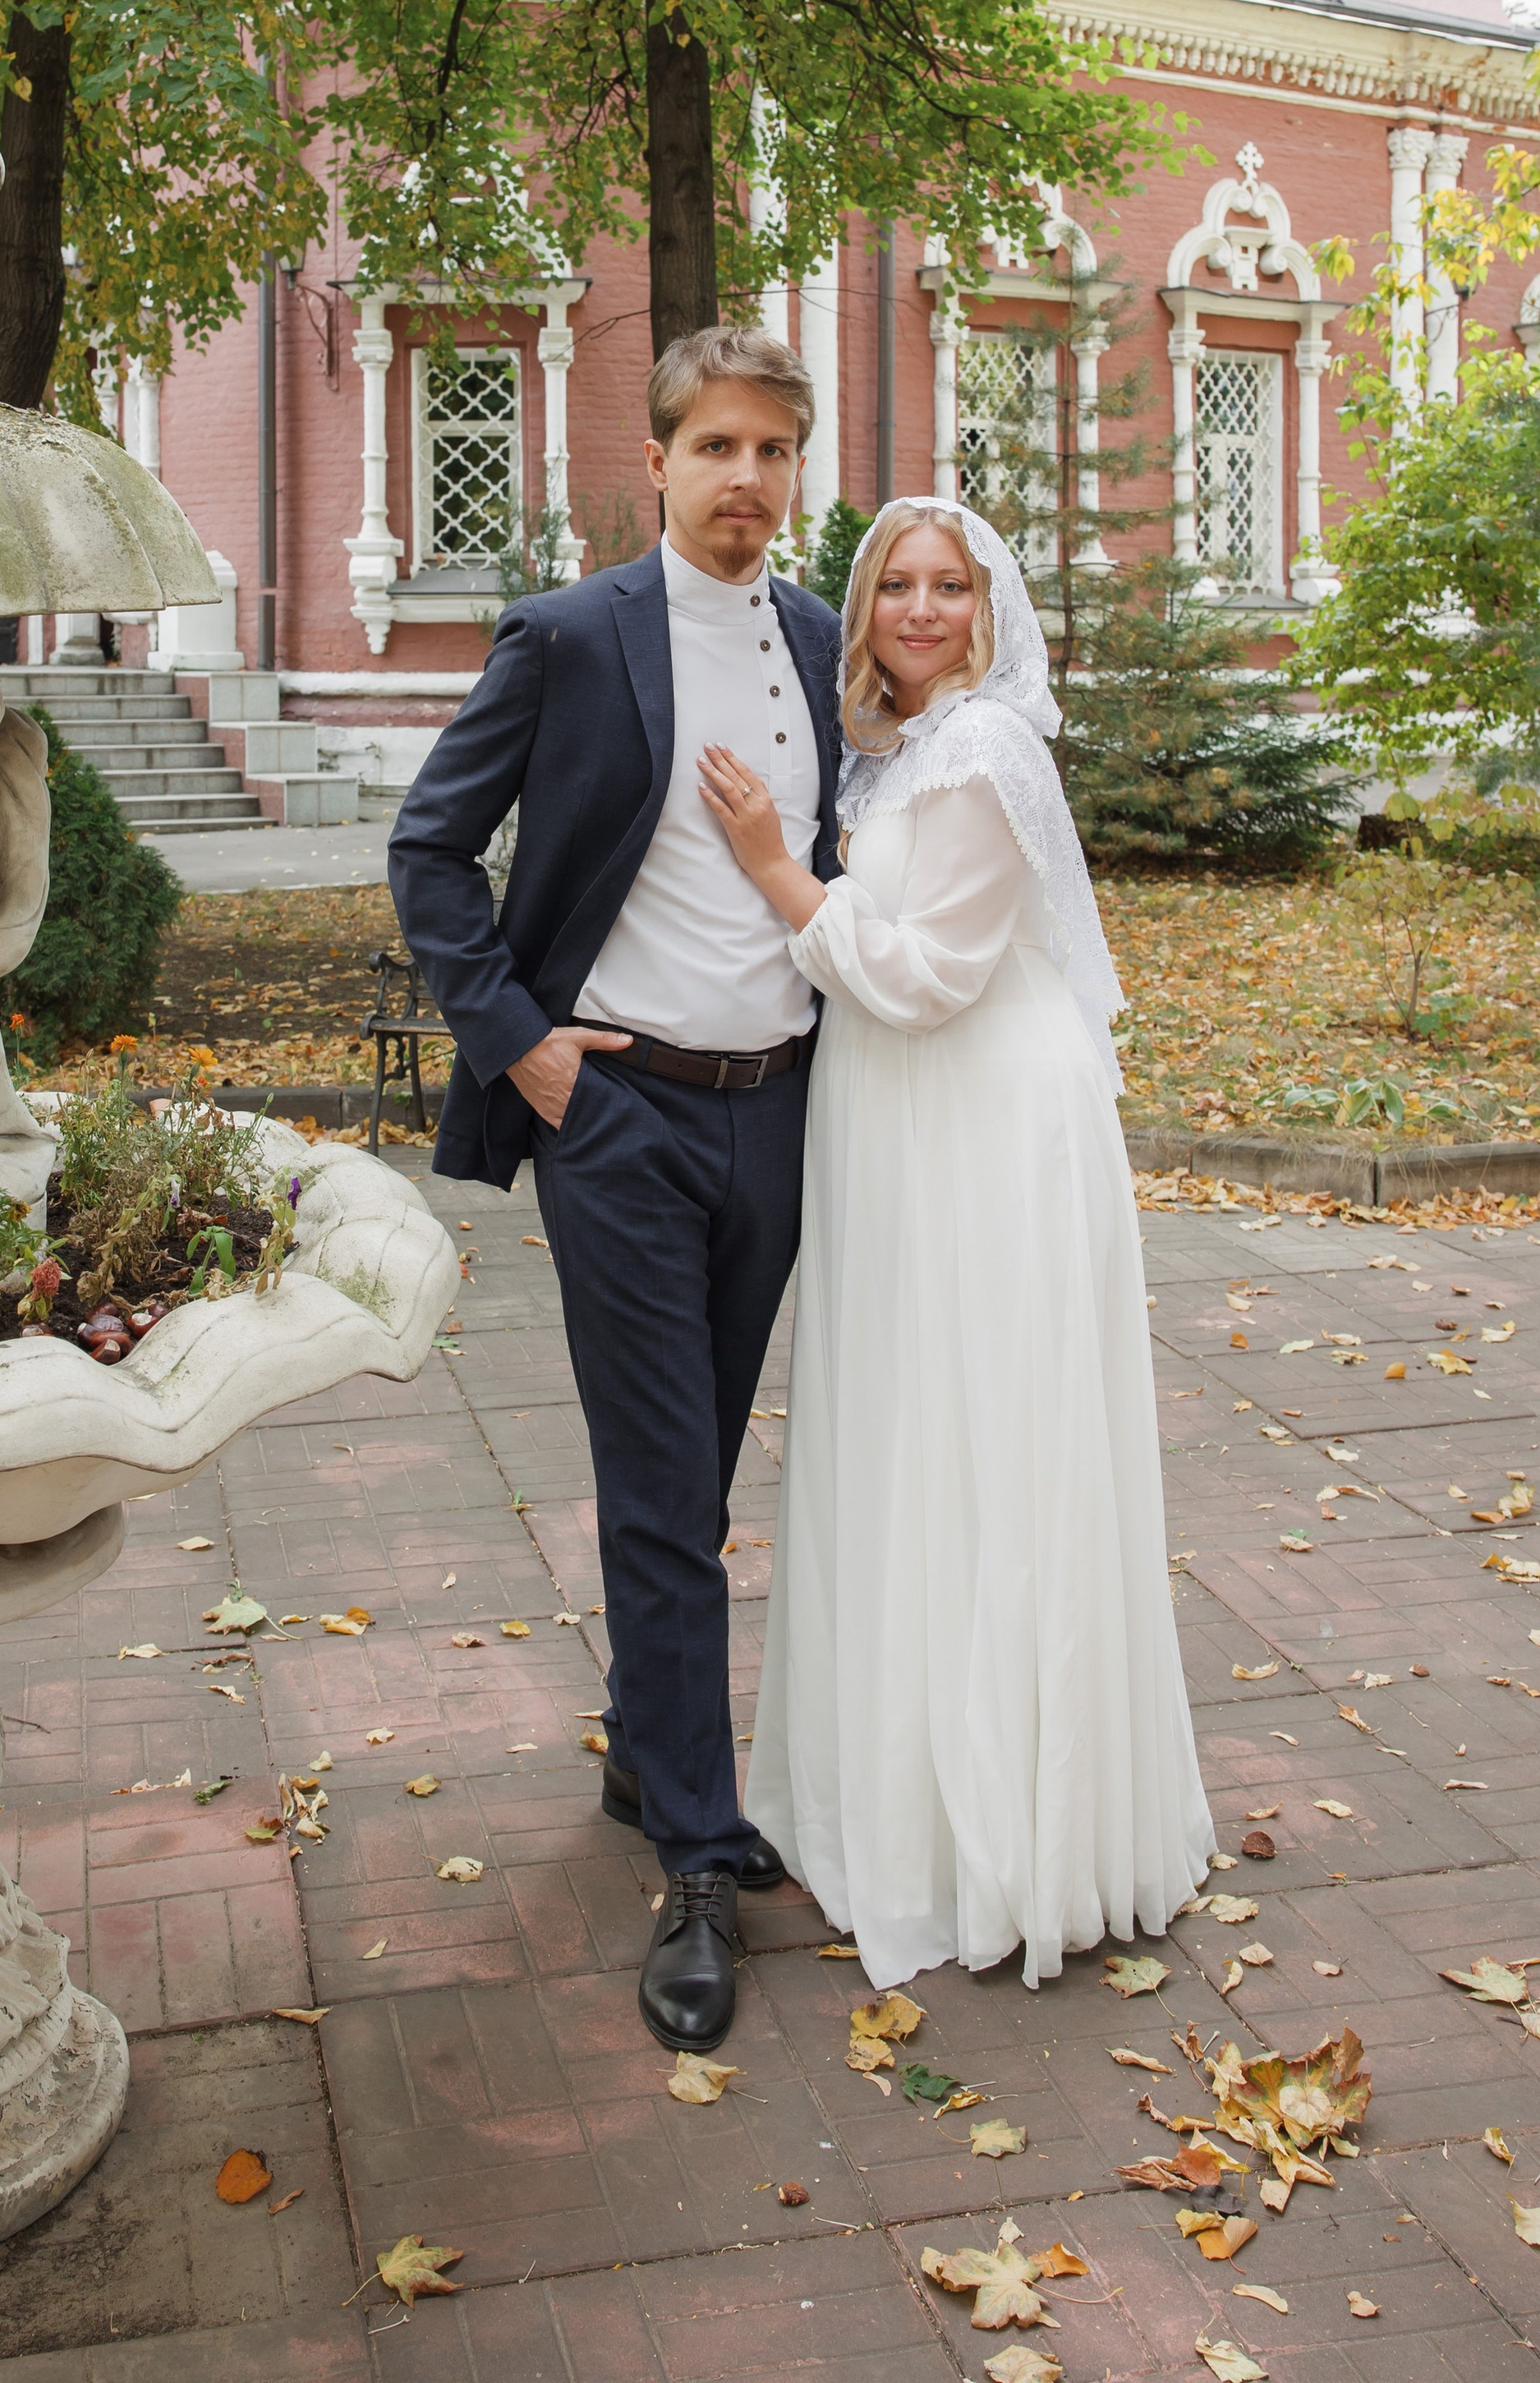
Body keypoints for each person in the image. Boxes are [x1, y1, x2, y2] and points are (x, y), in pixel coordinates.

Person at [388, 326, 844, 2053]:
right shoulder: (572, 638)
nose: (744, 481)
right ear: (654, 461)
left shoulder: (816, 641)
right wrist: (523, 1049)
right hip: (621, 1119)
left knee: (701, 1467)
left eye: (770, 452)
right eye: (714, 448)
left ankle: (638, 1755)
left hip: (779, 1116)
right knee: (661, 1496)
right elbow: (429, 849)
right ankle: (695, 1859)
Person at [699, 498, 1213, 1990]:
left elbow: (926, 975)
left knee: (988, 1440)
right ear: (862, 612)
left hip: (981, 1122)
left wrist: (773, 871)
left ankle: (1008, 1835)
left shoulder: (986, 752)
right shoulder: (901, 747)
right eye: (893, 585)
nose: (919, 608)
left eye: (949, 585)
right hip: (897, 1119)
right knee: (908, 1431)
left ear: (991, 609)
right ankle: (896, 1797)